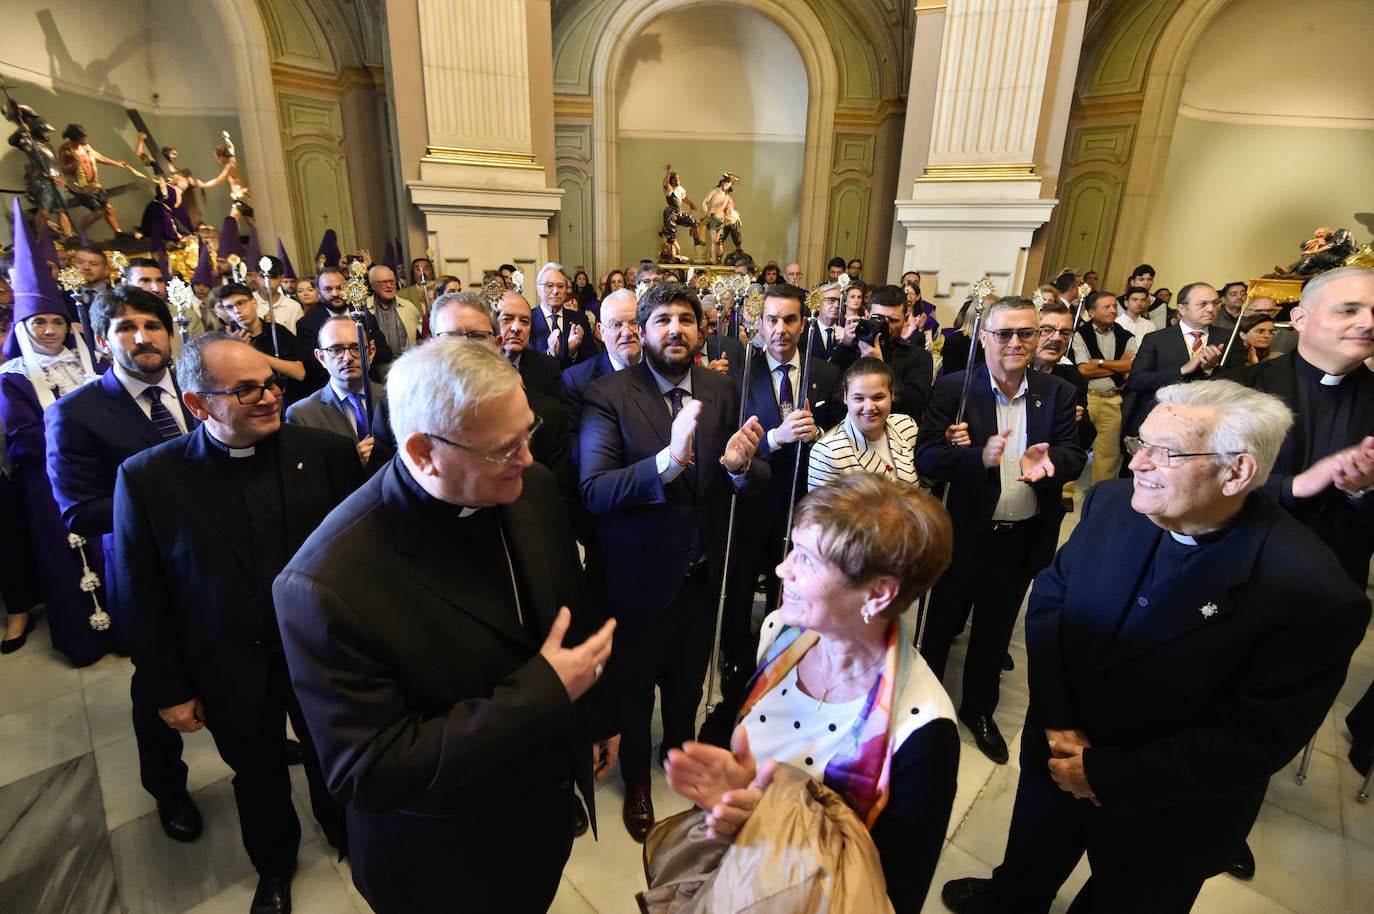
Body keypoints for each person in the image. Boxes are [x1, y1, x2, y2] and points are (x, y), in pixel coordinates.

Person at [942, 381, 1371, 914]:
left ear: (1237, 470)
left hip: (1168, 807)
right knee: (1029, 861)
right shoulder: (1113, 503)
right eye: (1139, 443)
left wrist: (1101, 773)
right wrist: (1056, 719)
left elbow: (1253, 739)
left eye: (1164, 452)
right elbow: (1053, 597)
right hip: (1058, 747)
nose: (1139, 462)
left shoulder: (1314, 594)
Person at [274, 339, 617, 914]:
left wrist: (595, 717)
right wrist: (543, 695)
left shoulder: (526, 487)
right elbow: (368, 769)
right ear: (423, 452)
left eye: (527, 434)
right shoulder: (325, 584)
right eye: (505, 449)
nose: (528, 459)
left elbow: (567, 613)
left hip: (541, 816)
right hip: (443, 856)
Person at [113, 335, 363, 914]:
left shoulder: (325, 453)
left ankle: (346, 832)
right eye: (246, 389)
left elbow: (362, 557)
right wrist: (169, 688)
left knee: (335, 754)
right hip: (228, 663)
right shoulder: (149, 478)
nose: (269, 397)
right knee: (257, 773)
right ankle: (274, 864)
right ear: (198, 405)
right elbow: (141, 596)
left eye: (270, 383)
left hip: (321, 654)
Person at [665, 473, 958, 913]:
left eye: (807, 559)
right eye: (792, 549)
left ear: (878, 594)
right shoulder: (782, 633)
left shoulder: (923, 732)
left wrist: (768, 830)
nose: (782, 569)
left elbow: (890, 895)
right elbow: (736, 726)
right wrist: (729, 791)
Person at [578, 281, 768, 842]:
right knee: (635, 691)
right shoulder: (608, 395)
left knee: (686, 686)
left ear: (701, 329)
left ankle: (678, 759)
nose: (674, 330)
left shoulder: (724, 388)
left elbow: (753, 475)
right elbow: (595, 489)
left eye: (685, 319)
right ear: (642, 329)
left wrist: (738, 467)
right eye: (661, 319)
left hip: (703, 576)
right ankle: (636, 781)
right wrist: (669, 458)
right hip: (638, 580)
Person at [44, 286, 207, 840]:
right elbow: (77, 512)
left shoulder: (198, 386)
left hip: (222, 559)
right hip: (148, 573)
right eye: (126, 327)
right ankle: (168, 789)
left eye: (153, 325)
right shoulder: (77, 413)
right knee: (156, 685)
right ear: (100, 338)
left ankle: (252, 736)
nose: (143, 337)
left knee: (239, 656)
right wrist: (163, 494)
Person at [916, 296, 1085, 764]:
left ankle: (979, 710)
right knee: (939, 627)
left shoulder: (1057, 392)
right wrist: (977, 458)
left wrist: (1050, 461)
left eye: (1026, 333)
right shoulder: (955, 390)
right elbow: (926, 458)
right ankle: (924, 712)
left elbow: (1074, 453)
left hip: (1022, 535)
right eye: (1004, 333)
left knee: (995, 630)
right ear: (984, 337)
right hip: (962, 534)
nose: (1015, 342)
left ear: (1038, 338)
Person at [1235, 266, 1374, 780]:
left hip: (1329, 589)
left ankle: (1240, 812)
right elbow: (1198, 482)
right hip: (1237, 580)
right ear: (1300, 317)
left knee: (1278, 717)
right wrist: (1293, 486)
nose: (1367, 322)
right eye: (1350, 309)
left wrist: (1363, 491)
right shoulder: (1242, 387)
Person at [0, 203, 107, 660]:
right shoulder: (14, 376)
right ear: (24, 326)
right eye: (40, 322)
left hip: (101, 472)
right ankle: (81, 640)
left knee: (110, 549)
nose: (49, 329)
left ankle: (120, 630)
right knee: (64, 557)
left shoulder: (89, 363)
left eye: (57, 321)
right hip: (48, 482)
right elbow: (22, 436)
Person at [1123, 282, 1243, 439]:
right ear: (1182, 309)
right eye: (1202, 304)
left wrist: (1211, 369)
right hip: (1162, 419)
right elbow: (1136, 381)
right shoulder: (1157, 339)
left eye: (1215, 303)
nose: (1211, 309)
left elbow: (1239, 382)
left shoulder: (1229, 338)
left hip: (1208, 424)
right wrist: (1182, 370)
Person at [284, 316, 391, 473]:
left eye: (356, 347)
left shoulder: (395, 398)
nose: (348, 358)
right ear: (321, 357)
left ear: (371, 351)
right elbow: (305, 476)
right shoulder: (302, 415)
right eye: (335, 349)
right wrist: (352, 462)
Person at [807, 358, 920, 490]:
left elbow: (925, 486)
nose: (869, 407)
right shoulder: (826, 452)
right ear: (845, 397)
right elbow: (822, 510)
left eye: (878, 397)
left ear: (892, 395)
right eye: (859, 398)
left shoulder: (907, 427)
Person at [1071, 291, 1137, 483]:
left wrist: (1098, 363)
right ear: (1091, 312)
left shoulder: (1126, 336)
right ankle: (1065, 492)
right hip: (1086, 397)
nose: (1113, 310)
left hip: (1112, 399)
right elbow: (1083, 369)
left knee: (1108, 451)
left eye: (1115, 306)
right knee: (1074, 444)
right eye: (1106, 307)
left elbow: (1130, 367)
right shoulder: (1080, 334)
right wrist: (1117, 365)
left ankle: (1100, 491)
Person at [58, 124, 128, 238]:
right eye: (82, 137)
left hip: (94, 185)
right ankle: (79, 234)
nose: (86, 138)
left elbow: (99, 157)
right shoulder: (66, 150)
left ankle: (117, 232)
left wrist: (116, 163)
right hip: (80, 188)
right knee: (98, 212)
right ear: (75, 137)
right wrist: (74, 165)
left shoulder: (86, 147)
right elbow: (64, 169)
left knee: (109, 208)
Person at [530, 261, 598, 368]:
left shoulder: (579, 318)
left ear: (566, 291)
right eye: (549, 286)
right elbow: (525, 360)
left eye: (560, 286)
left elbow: (592, 357)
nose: (555, 291)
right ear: (538, 289)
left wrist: (573, 352)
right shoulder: (528, 319)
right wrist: (549, 354)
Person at [498, 289, 563, 397]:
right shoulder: (476, 367)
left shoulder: (548, 368)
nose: (516, 328)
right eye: (507, 319)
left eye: (524, 321)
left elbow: (555, 411)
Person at [660, 165, 704, 261]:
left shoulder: (680, 189)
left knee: (693, 222)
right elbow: (665, 184)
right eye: (676, 179)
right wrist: (668, 173)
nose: (678, 180)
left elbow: (684, 198)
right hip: (671, 214)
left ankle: (697, 241)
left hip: (679, 213)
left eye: (678, 178)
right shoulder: (669, 189)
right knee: (671, 237)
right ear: (672, 181)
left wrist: (691, 204)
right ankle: (670, 258)